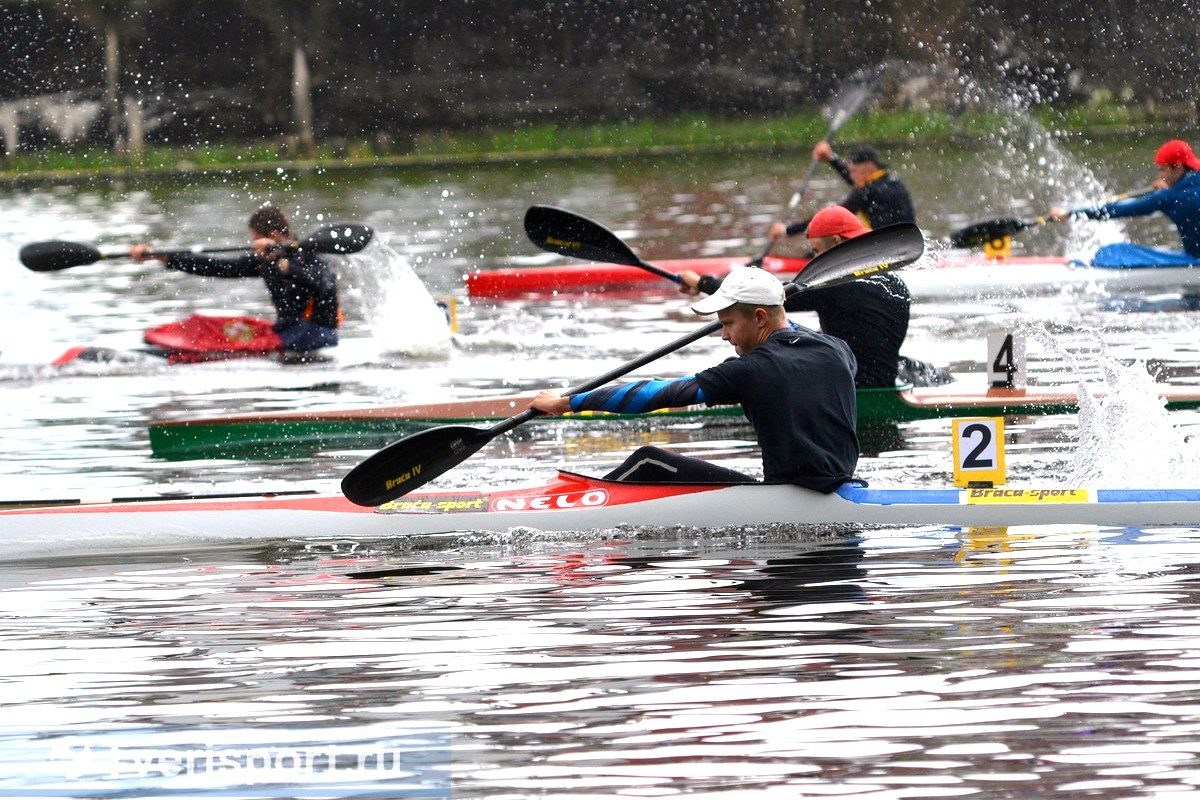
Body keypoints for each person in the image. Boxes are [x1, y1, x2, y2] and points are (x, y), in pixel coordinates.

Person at [529, 267, 859, 491]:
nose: (724, 335)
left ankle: (568, 508)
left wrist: (567, 402)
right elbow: (789, 333)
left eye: (727, 323)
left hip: (790, 495)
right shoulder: (838, 350)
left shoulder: (750, 370)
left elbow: (657, 394)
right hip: (839, 485)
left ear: (760, 317)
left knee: (649, 461)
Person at [683, 205, 926, 389]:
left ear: (836, 242)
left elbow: (763, 294)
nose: (815, 260)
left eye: (818, 252)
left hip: (848, 387)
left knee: (740, 363)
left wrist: (703, 283)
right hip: (883, 381)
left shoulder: (834, 286)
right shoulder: (895, 282)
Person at [129, 204, 340, 352]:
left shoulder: (313, 254)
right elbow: (217, 266)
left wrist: (287, 267)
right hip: (287, 331)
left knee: (218, 338)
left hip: (314, 334)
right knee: (203, 325)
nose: (254, 245)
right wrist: (163, 256)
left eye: (256, 239)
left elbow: (323, 285)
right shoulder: (265, 259)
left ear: (274, 236)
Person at [1048, 139, 1200, 267]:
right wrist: (1172, 186)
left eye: (1162, 171)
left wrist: (1071, 214)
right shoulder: (1176, 191)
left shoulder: (1168, 197)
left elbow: (1120, 210)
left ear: (1178, 166)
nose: (1161, 177)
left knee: (1112, 252)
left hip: (1195, 261)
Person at [768, 142, 917, 241]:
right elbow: (855, 181)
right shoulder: (890, 181)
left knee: (825, 244)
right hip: (905, 244)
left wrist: (786, 230)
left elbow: (829, 219)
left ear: (868, 166)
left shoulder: (866, 191)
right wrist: (831, 159)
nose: (850, 175)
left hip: (882, 252)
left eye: (853, 170)